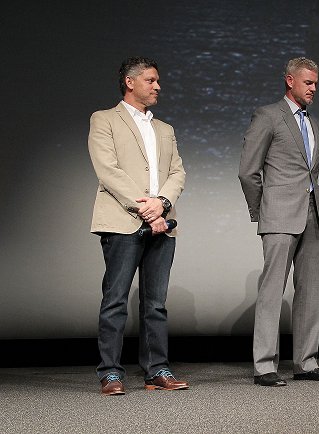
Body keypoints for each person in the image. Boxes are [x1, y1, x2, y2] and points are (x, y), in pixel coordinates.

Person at [88, 57, 188, 395]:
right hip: (123, 222)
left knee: (155, 303)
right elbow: (108, 169)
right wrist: (146, 207)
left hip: (162, 223)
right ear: (130, 83)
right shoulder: (104, 120)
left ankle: (157, 369)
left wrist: (161, 204)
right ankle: (111, 372)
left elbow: (178, 173)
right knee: (115, 299)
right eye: (151, 80)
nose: (158, 86)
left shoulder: (165, 129)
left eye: (157, 80)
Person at [238, 57, 319, 387]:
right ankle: (265, 365)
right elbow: (248, 172)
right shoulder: (268, 116)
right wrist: (262, 211)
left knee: (310, 291)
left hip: (313, 212)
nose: (314, 88)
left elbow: (311, 172)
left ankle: (306, 362)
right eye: (308, 82)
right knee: (272, 292)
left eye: (316, 83)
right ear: (290, 81)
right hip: (279, 214)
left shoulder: (316, 124)